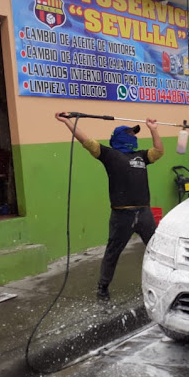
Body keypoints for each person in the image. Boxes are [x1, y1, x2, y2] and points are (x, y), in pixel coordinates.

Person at [55, 113, 164, 301]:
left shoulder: (141, 156)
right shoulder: (110, 155)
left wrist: (153, 130)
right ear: (120, 137)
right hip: (122, 215)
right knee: (113, 252)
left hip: (144, 213)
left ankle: (163, 281)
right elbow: (87, 141)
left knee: (156, 249)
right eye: (130, 133)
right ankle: (102, 287)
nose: (134, 136)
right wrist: (68, 122)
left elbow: (159, 151)